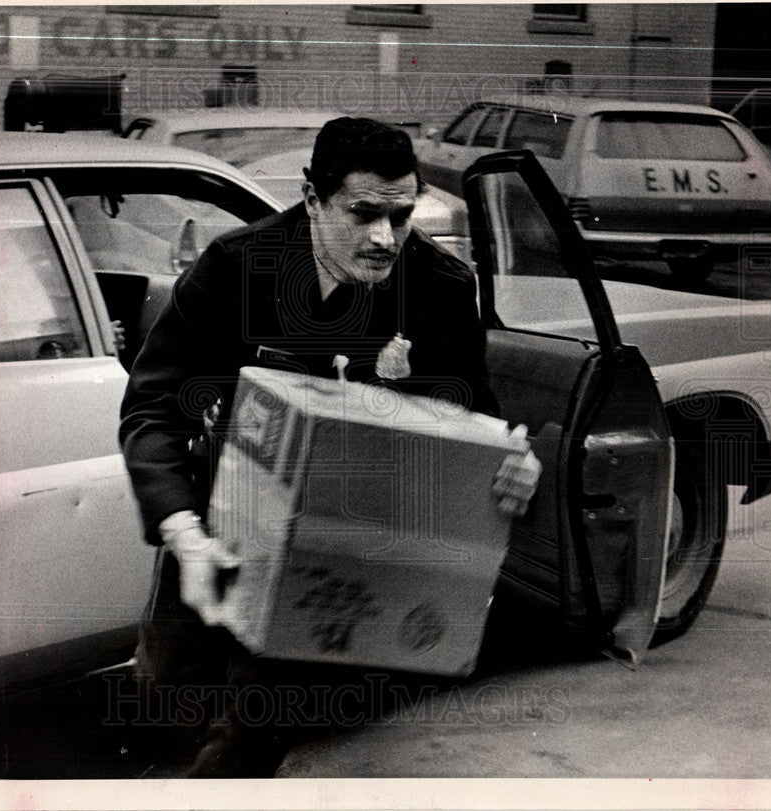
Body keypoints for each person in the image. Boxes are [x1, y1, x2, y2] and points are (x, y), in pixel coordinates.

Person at [119, 117, 541, 777]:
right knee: (163, 711)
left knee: (249, 743)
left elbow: (471, 426)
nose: (383, 237)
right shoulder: (236, 268)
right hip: (212, 536)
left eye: (401, 217)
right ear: (313, 197)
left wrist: (509, 468)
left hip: (339, 562)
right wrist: (184, 534)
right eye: (363, 213)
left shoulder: (439, 289)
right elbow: (152, 408)